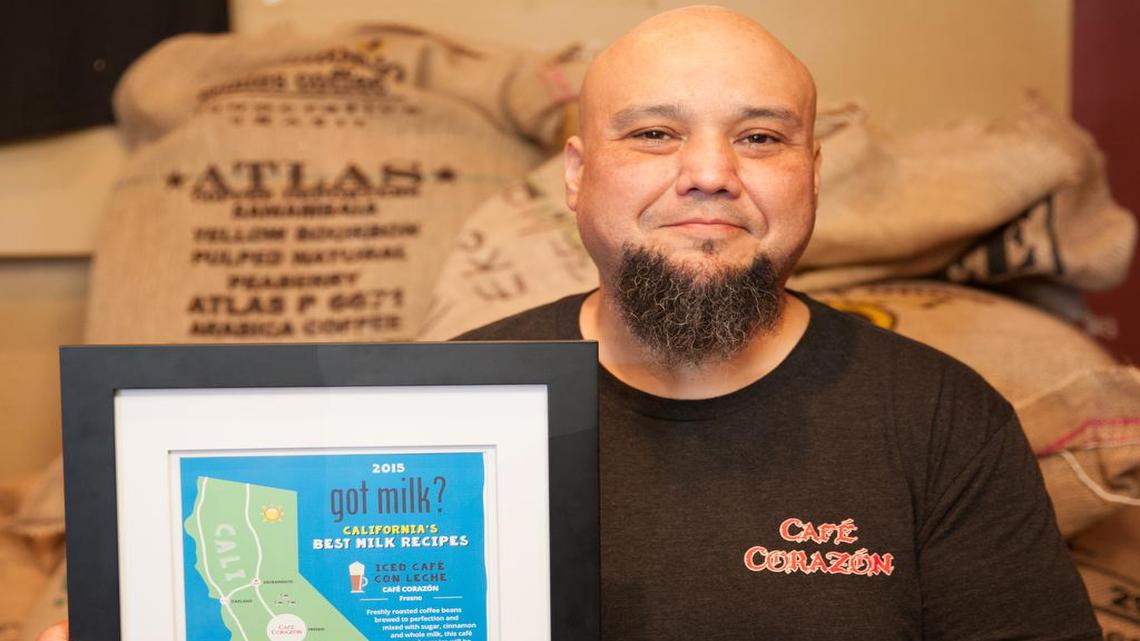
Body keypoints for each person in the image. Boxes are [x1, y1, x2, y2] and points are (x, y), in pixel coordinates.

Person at [38, 5, 1099, 641]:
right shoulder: (451, 406)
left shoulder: (938, 420)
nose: (710, 176)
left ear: (813, 175)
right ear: (578, 177)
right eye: (655, 132)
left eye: (762, 137)